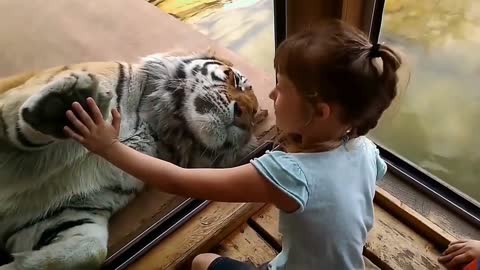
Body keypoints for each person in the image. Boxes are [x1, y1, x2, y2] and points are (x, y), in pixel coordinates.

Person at [63, 20, 403, 270]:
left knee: (201, 262)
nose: (269, 95)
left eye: (281, 88)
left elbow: (177, 181)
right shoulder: (366, 151)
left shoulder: (287, 174)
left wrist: (110, 148)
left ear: (319, 112)